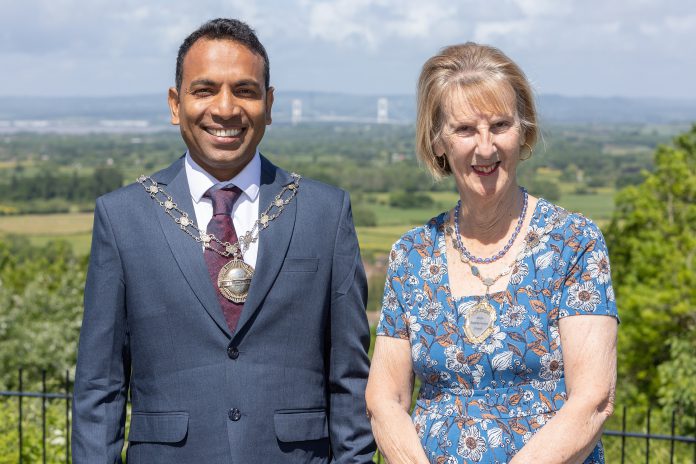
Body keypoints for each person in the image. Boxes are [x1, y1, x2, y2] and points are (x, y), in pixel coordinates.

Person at [72, 18, 374, 464]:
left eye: (246, 91)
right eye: (205, 89)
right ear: (176, 104)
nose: (226, 108)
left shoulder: (325, 213)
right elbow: (100, 386)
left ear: (269, 105)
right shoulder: (122, 217)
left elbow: (350, 379)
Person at [366, 43, 618, 463]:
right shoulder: (411, 254)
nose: (485, 148)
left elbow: (592, 399)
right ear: (438, 142)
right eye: (465, 130)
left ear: (524, 132)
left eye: (500, 125)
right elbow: (384, 398)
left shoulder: (574, 243)